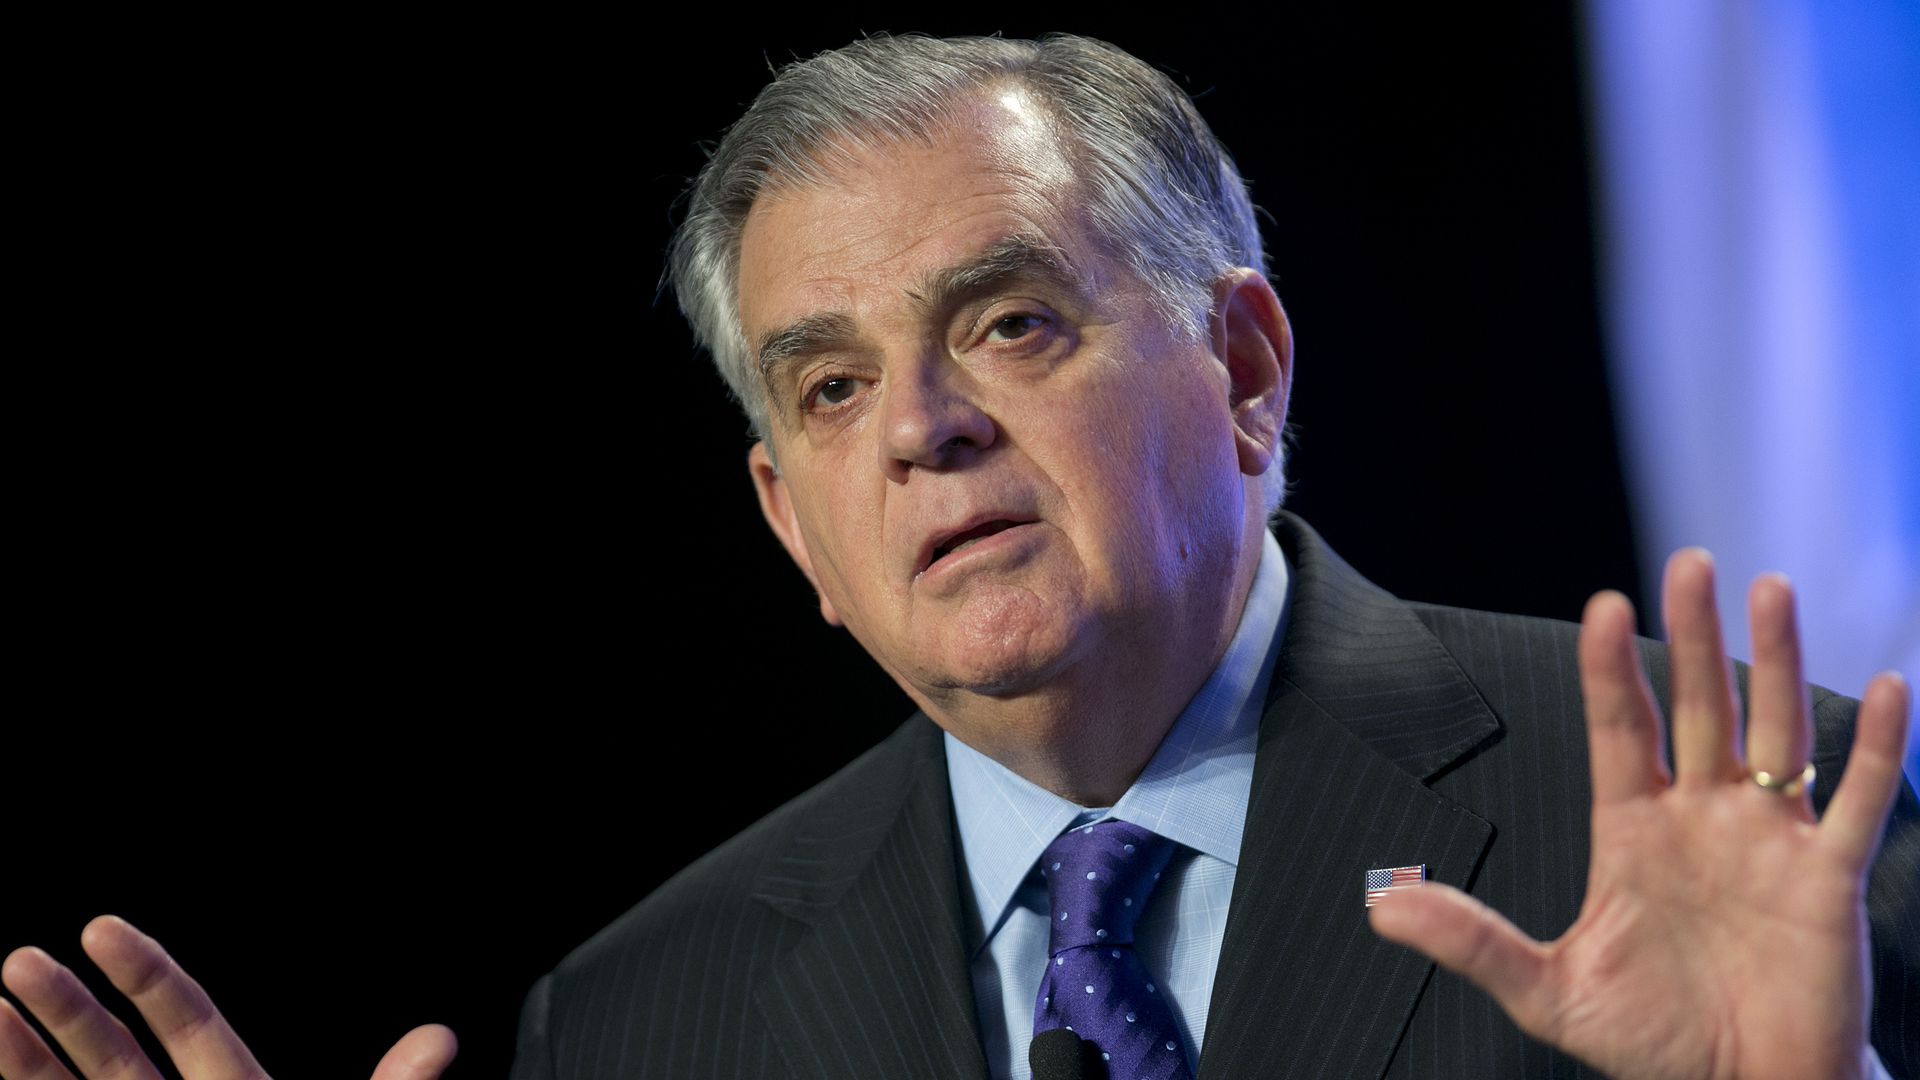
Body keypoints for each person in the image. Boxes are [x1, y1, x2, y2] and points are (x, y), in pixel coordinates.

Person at [3, 32, 1915, 1080]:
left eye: (1008, 323)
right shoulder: (640, 1024)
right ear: (795, 534)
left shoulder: (1742, 815)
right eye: (828, 389)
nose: (920, 426)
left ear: (1245, 369)